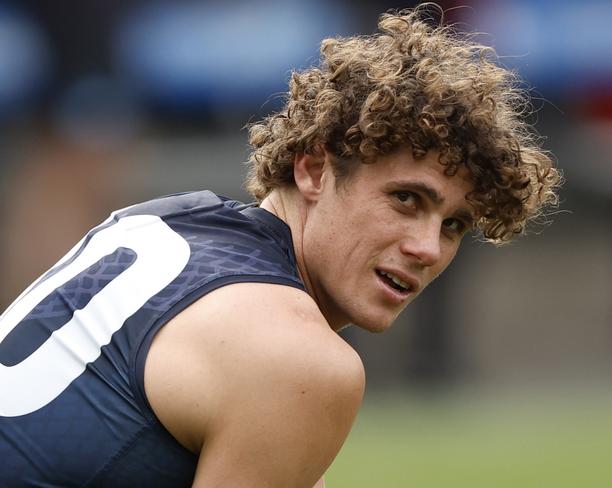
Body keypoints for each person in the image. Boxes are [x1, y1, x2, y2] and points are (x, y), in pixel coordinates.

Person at [0, 6, 561, 487]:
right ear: (314, 168)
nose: (427, 248)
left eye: (453, 226)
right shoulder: (301, 360)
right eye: (406, 200)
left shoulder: (166, 219)